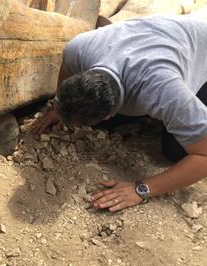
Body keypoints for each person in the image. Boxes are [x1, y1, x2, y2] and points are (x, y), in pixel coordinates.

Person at [32, 15, 207, 212]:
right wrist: (59, 109)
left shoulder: (163, 89)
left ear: (109, 114)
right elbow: (67, 65)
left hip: (201, 52)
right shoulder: (78, 48)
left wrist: (141, 190)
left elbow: (204, 155)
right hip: (160, 38)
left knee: (175, 150)